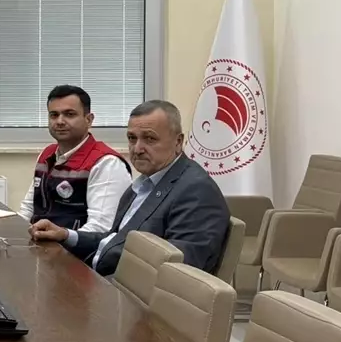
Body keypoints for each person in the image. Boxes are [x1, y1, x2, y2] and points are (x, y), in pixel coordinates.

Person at [29, 100, 230, 276]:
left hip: (128, 295)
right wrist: (66, 235)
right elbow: (114, 240)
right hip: (100, 276)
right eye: (132, 138)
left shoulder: (195, 190)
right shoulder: (145, 183)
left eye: (150, 138)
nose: (137, 149)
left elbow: (180, 272)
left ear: (178, 142)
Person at [18, 85, 131, 233]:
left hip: (75, 247)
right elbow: (28, 209)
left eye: (69, 114)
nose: (59, 121)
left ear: (88, 120)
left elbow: (100, 229)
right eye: (54, 115)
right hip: (38, 241)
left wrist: (62, 238)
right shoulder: (46, 154)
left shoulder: (107, 163)